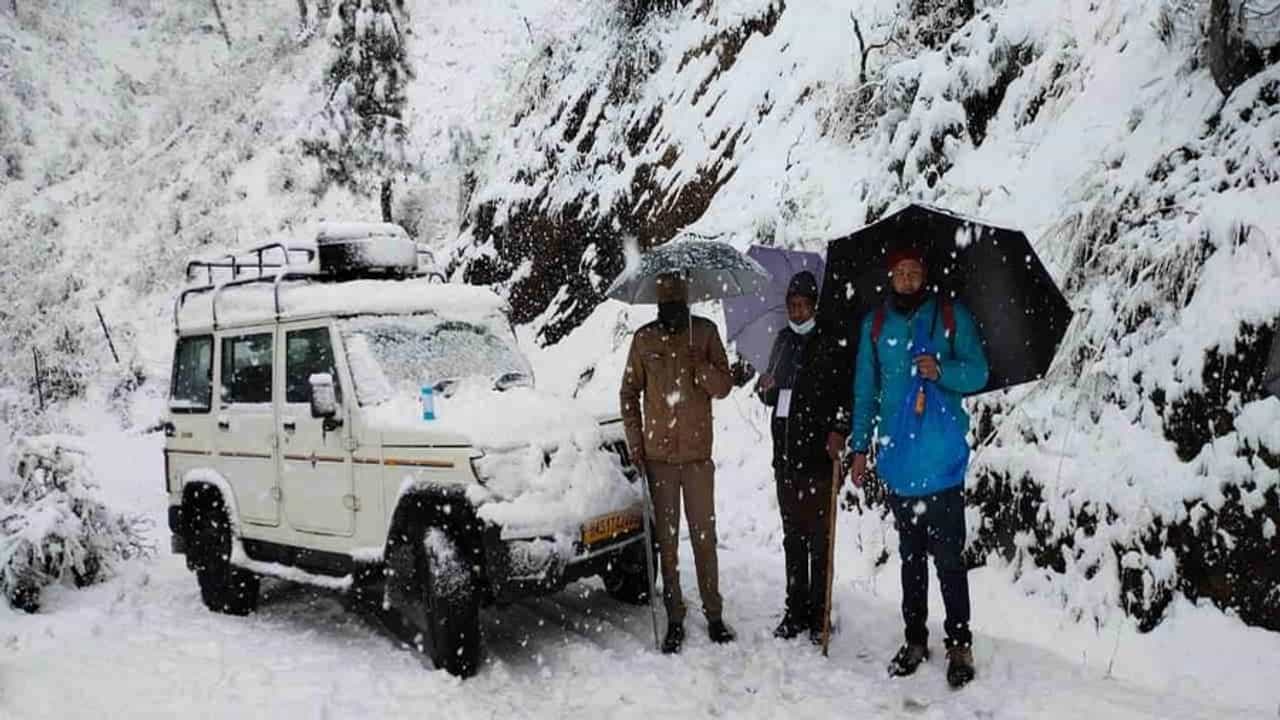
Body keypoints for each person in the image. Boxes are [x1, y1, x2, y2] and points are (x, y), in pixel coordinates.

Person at [847, 246, 989, 688]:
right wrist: (859, 448)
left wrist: (941, 369)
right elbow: (865, 392)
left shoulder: (949, 316)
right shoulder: (875, 326)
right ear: (890, 276)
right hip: (898, 463)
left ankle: (959, 644)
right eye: (900, 272)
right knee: (910, 559)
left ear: (924, 274)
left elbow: (979, 373)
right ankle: (914, 639)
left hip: (942, 462)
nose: (907, 279)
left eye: (914, 272)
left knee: (948, 559)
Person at [619, 272, 736, 654]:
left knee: (704, 538)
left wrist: (701, 367)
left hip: (698, 458)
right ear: (658, 304)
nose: (670, 311)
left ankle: (714, 613)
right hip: (659, 459)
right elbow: (628, 393)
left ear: (686, 302)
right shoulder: (644, 339)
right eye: (664, 305)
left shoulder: (704, 333)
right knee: (666, 542)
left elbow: (724, 385)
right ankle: (674, 616)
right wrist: (635, 443)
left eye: (676, 304)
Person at [755, 271, 848, 644]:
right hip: (786, 458)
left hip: (818, 458)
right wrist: (765, 388)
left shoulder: (831, 342)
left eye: (802, 305)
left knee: (819, 540)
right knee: (793, 538)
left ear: (814, 306)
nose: (796, 311)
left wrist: (839, 429)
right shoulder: (782, 342)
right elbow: (773, 394)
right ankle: (795, 611)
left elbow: (845, 394)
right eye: (792, 305)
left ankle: (819, 615)